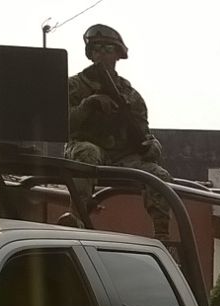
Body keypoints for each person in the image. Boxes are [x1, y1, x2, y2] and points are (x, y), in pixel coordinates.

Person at [64, 24, 174, 241]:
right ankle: (76, 220)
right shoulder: (75, 86)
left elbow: (144, 133)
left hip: (122, 158)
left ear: (117, 54)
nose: (101, 54)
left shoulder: (130, 95)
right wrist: (88, 105)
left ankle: (163, 237)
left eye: (108, 49)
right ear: (90, 53)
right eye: (96, 49)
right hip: (85, 148)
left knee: (159, 176)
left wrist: (153, 145)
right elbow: (60, 125)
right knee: (87, 153)